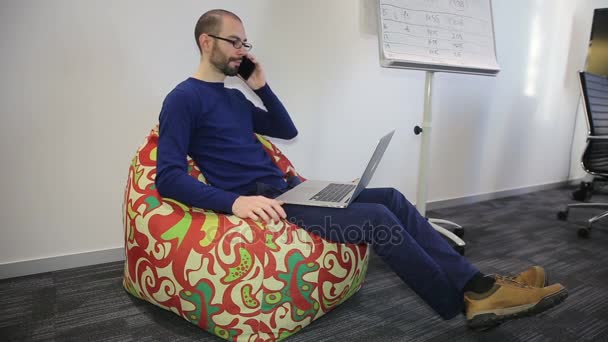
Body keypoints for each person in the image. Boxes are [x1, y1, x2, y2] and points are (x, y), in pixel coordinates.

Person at [155, 9, 568, 330]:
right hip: (270, 202)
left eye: (245, 42)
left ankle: (479, 285)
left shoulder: (232, 97)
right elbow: (168, 177)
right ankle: (466, 299)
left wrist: (260, 86)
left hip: (291, 188)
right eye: (234, 42)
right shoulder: (183, 99)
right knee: (375, 218)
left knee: (388, 196)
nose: (242, 50)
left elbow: (285, 129)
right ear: (206, 41)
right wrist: (237, 201)